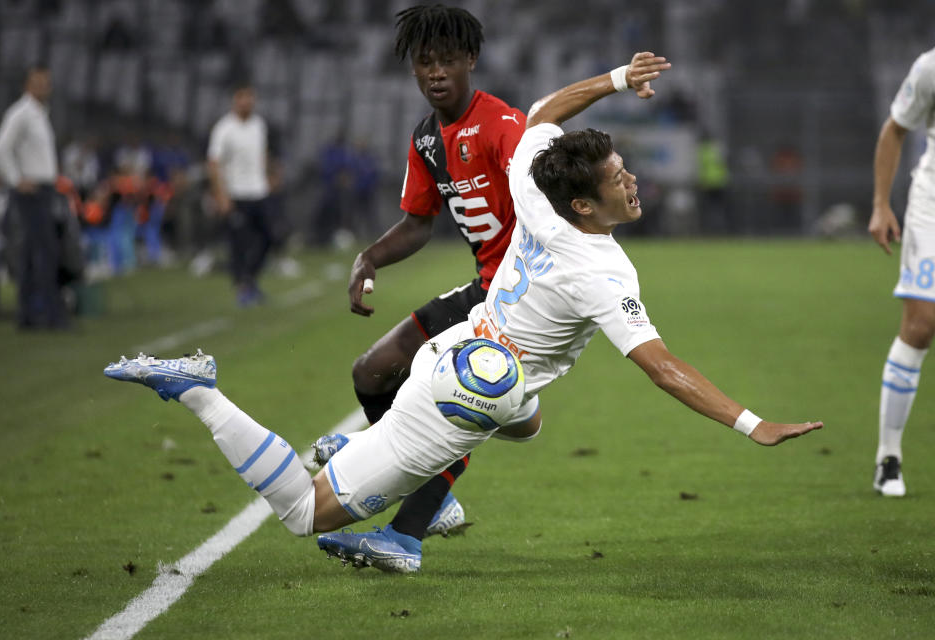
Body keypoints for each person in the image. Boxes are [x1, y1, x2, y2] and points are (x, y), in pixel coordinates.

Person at [104, 50, 822, 576]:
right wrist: (753, 425)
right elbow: (662, 368)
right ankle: (199, 387)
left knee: (528, 419)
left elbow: (542, 114)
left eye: (626, 171)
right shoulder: (602, 271)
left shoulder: (537, 186)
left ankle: (376, 467)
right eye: (617, 180)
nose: (632, 183)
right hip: (458, 390)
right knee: (304, 513)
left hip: (483, 357)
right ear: (583, 205)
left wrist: (612, 82)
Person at [324, 3, 529, 552]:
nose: (435, 72)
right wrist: (368, 258)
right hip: (484, 289)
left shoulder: (502, 124)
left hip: (521, 296)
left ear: (471, 60)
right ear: (413, 69)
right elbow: (419, 223)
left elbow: (539, 183)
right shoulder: (428, 140)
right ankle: (431, 493)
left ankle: (408, 529)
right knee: (371, 373)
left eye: (447, 61)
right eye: (424, 62)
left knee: (456, 405)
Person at [867, 46, 935, 497]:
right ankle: (888, 458)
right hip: (932, 207)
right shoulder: (930, 67)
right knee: (922, 323)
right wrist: (880, 205)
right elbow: (895, 130)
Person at [0, 65, 68, 329]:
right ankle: (49, 315)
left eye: (46, 83)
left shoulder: (39, 115)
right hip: (31, 192)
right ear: (27, 85)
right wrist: (16, 179)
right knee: (44, 252)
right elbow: (0, 149)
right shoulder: (21, 113)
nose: (43, 87)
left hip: (42, 190)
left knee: (32, 253)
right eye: (38, 83)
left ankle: (28, 315)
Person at [207, 81, 275, 307]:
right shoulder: (224, 128)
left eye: (250, 97)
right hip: (236, 194)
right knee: (239, 243)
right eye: (242, 97)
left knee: (270, 236)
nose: (247, 101)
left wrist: (267, 178)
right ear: (234, 100)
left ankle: (249, 279)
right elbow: (214, 164)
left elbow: (262, 153)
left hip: (258, 191)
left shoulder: (258, 125)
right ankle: (243, 288)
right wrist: (221, 196)